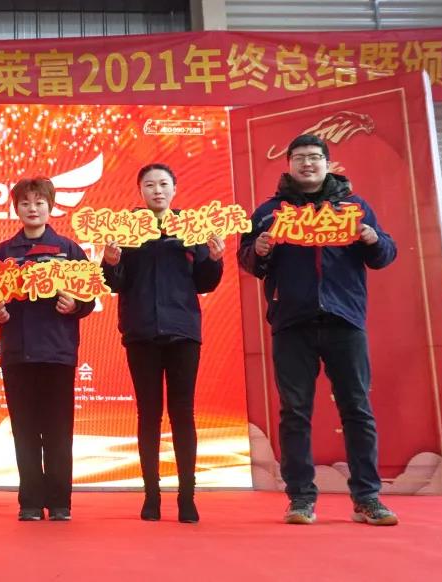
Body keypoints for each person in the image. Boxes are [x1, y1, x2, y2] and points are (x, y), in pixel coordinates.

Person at [238, 134, 399, 526]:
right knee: (295, 411)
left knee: (357, 409)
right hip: (292, 322)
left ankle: (367, 498)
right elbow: (247, 260)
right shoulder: (269, 212)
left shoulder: (354, 208)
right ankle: (300, 498)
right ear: (289, 164)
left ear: (327, 163)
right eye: (299, 157)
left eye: (314, 157)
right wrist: (259, 250)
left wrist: (373, 239)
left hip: (345, 320)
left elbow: (385, 255)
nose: (307, 164)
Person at [101, 164, 224, 523]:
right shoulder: (126, 228)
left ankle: (187, 496)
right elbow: (114, 283)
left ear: (174, 189)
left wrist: (215, 260)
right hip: (141, 331)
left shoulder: (192, 227)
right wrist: (110, 262)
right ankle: (151, 496)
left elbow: (204, 282)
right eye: (150, 185)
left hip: (183, 331)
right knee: (148, 413)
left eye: (163, 184)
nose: (157, 190)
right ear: (140, 191)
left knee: (183, 413)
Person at [0, 177, 95, 522]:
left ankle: (60, 502)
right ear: (16, 208)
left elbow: (89, 298)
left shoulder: (69, 250)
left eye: (39, 203)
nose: (33, 209)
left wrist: (75, 305)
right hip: (18, 354)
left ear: (50, 206)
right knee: (25, 431)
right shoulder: (3, 253)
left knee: (59, 431)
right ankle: (29, 501)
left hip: (58, 353)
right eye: (26, 203)